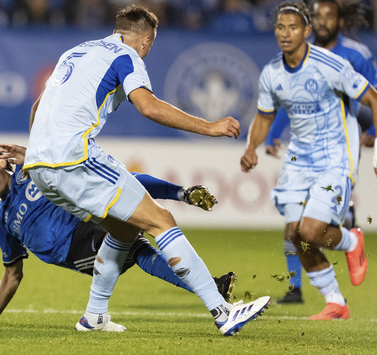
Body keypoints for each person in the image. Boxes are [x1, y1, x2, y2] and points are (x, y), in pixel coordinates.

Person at [23, 4, 270, 335]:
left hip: (40, 165)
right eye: (150, 44)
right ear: (147, 39)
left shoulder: (75, 52)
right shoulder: (127, 55)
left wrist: (37, 151)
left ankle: (94, 317)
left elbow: (38, 105)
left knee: (125, 229)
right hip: (74, 157)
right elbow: (149, 106)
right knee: (161, 221)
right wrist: (210, 127)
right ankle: (223, 311)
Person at [0, 140, 237, 326]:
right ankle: (211, 289)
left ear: (2, 162)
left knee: (122, 188)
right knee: (134, 244)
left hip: (89, 221)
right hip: (76, 251)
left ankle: (183, 193)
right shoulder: (1, 219)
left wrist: (31, 155)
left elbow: (63, 160)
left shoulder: (32, 171)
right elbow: (13, 275)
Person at [241, 1, 377, 320]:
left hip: (335, 157)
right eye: (280, 27)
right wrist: (251, 148)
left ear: (306, 31)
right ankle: (336, 303)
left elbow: (372, 98)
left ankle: (349, 239)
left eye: (292, 27)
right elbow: (264, 115)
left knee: (312, 232)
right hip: (299, 159)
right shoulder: (272, 71)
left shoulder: (330, 64)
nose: (285, 33)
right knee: (294, 234)